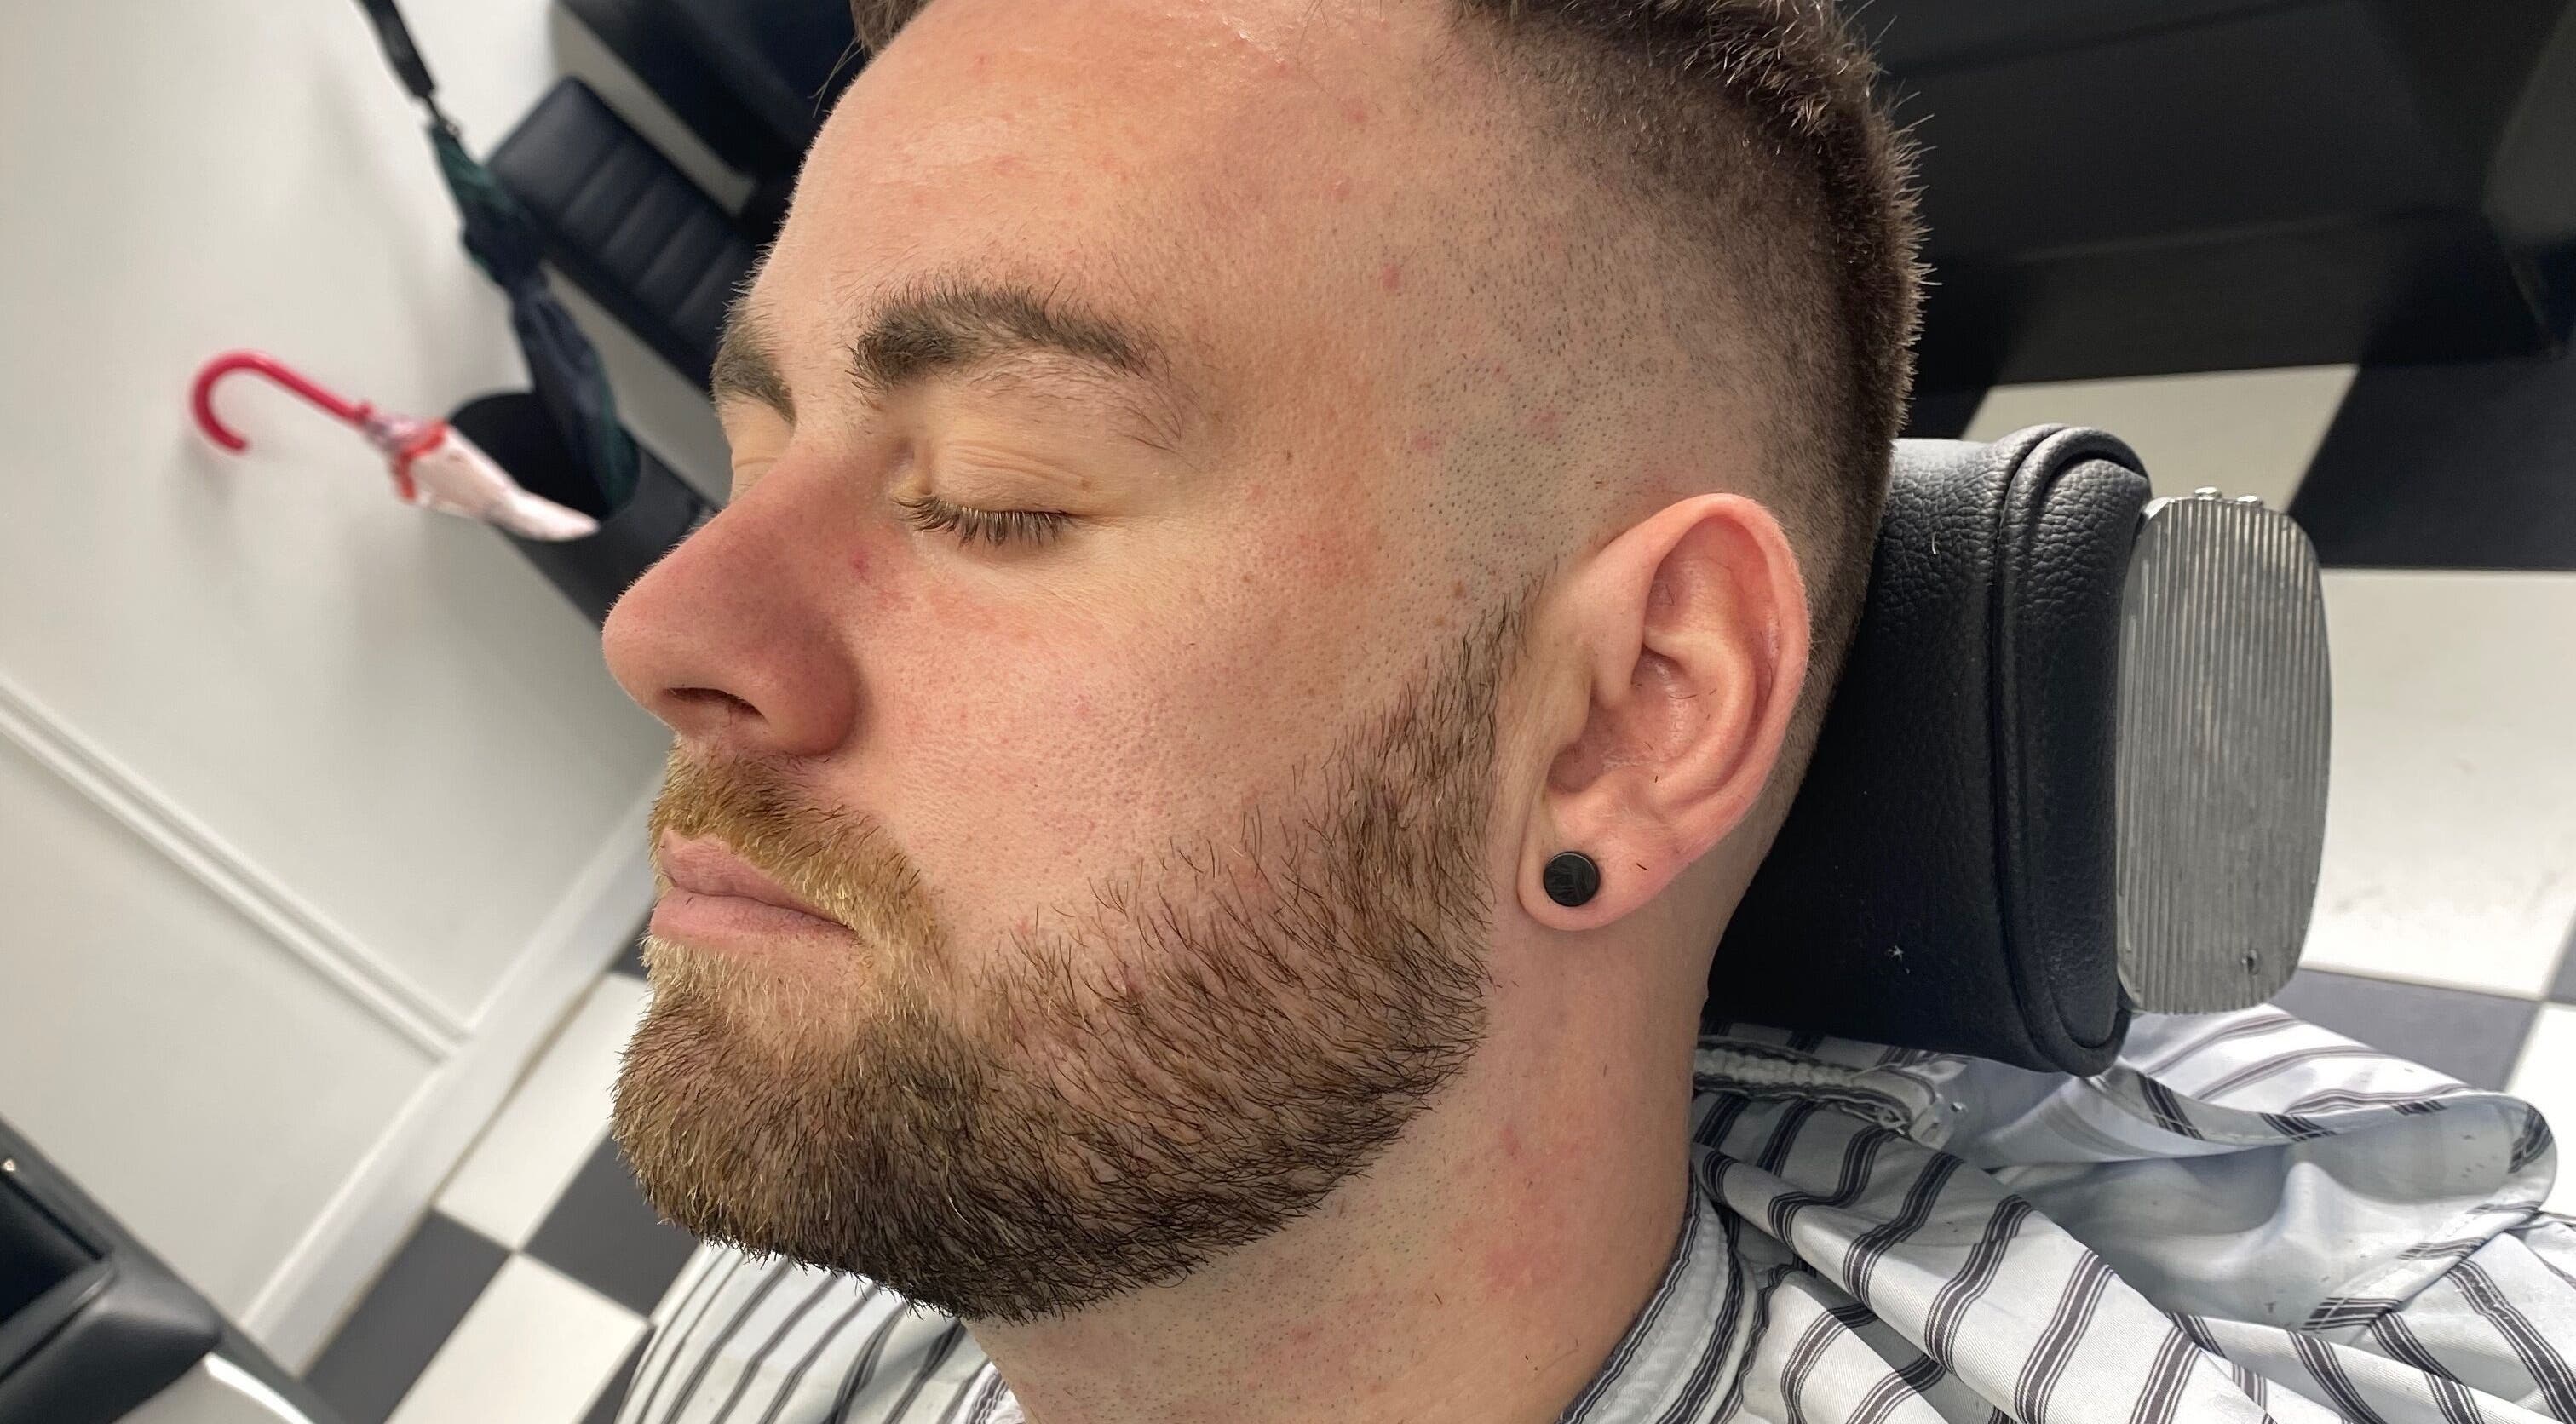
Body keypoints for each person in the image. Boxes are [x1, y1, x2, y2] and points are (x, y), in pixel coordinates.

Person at [595, 1, 2576, 1420]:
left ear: (1630, 713)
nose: (662, 621)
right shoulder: (793, 1282)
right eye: (754, 453)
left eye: (996, 491)